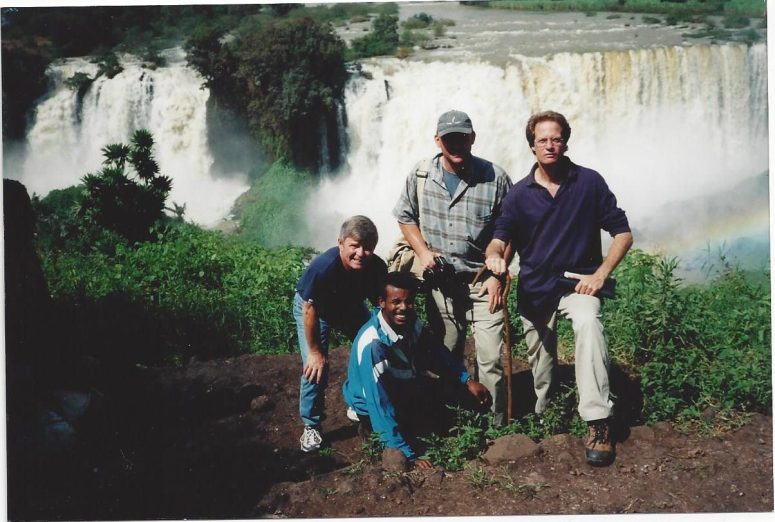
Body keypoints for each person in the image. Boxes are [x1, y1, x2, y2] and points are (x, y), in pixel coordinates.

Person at [485, 110, 633, 466]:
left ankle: (598, 421)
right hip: (535, 289)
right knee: (543, 367)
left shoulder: (589, 183)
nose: (550, 145)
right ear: (532, 146)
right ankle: (546, 415)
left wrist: (600, 274)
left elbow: (623, 234)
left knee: (588, 324)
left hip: (576, 285)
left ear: (565, 141)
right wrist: (494, 262)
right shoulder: (519, 195)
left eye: (556, 138)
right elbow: (499, 239)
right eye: (542, 140)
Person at [392, 109, 513, 424]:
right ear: (437, 140)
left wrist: (500, 273)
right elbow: (404, 216)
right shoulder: (420, 176)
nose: (456, 144)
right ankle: (454, 420)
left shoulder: (495, 178)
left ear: (472, 138)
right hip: (441, 285)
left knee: (489, 359)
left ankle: (494, 425)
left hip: (484, 282)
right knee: (448, 355)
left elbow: (512, 229)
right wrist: (422, 252)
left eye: (462, 137)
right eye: (449, 139)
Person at [342, 271, 492, 468]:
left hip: (402, 387)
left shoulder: (410, 322)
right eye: (396, 302)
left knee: (442, 402)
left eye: (409, 301)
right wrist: (406, 454)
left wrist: (466, 379)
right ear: (382, 302)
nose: (403, 308)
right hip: (373, 402)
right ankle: (371, 430)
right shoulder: (373, 345)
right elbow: (379, 402)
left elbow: (437, 353)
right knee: (400, 437)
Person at [294, 215, 387, 452]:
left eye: (367, 248)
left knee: (375, 349)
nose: (360, 253)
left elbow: (380, 304)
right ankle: (311, 425)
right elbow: (309, 310)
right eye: (354, 246)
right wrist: (315, 351)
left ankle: (359, 402)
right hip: (315, 310)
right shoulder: (323, 268)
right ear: (341, 244)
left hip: (350, 307)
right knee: (315, 367)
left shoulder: (376, 267)